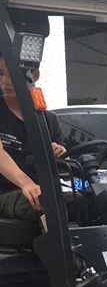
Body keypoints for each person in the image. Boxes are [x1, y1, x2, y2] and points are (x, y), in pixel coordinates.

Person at [0, 53, 66, 221]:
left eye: (12, 74)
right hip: (7, 192)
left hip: (40, 190)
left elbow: (64, 161)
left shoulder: (47, 119)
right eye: (0, 74)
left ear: (34, 75)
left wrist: (59, 152)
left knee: (90, 201)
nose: (5, 81)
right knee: (44, 204)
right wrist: (25, 183)